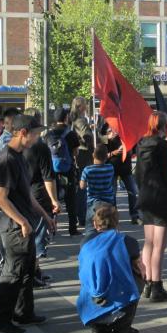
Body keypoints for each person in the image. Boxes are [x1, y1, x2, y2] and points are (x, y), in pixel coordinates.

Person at [0, 114, 56, 333]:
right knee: (13, 272)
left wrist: (45, 216)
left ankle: (23, 312)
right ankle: (1, 319)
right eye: (36, 134)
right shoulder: (6, 159)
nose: (38, 139)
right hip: (14, 226)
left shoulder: (19, 156)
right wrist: (22, 221)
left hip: (25, 222)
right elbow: (1, 198)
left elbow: (27, 194)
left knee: (28, 270)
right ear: (23, 133)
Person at [77, 204, 142, 333]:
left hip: (90, 302)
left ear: (95, 223)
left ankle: (99, 331)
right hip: (120, 299)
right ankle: (122, 329)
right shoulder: (128, 242)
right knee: (138, 277)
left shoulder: (85, 242)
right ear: (117, 223)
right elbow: (139, 266)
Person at [134, 111, 167, 302]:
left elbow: (137, 173)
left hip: (146, 196)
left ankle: (147, 284)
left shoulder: (141, 144)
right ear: (163, 126)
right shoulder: (161, 146)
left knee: (148, 242)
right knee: (159, 245)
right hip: (161, 197)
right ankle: (157, 286)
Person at [24, 114, 60, 264]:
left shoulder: (17, 147)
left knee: (28, 235)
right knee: (38, 235)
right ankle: (35, 271)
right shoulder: (40, 147)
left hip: (24, 195)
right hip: (39, 194)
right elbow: (48, 177)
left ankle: (32, 271)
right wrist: (54, 200)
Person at [47, 108, 81, 236]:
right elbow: (76, 152)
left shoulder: (48, 134)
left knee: (53, 198)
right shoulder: (70, 133)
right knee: (71, 199)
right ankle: (72, 228)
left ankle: (52, 227)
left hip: (52, 170)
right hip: (68, 169)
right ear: (66, 118)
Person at [105, 126, 141, 225]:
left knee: (133, 191)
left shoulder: (127, 135)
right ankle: (113, 217)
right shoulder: (107, 135)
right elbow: (102, 155)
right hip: (112, 168)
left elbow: (134, 151)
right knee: (112, 193)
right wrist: (114, 152)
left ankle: (134, 216)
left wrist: (130, 150)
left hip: (126, 169)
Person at [80, 144, 115, 236]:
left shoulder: (87, 170)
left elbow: (82, 186)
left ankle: (90, 245)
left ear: (93, 155)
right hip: (108, 202)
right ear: (106, 156)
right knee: (108, 227)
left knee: (90, 229)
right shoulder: (110, 168)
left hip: (93, 202)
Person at [70, 96, 94, 232]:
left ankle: (80, 215)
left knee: (80, 187)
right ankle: (82, 216)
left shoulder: (73, 119)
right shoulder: (80, 120)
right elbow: (87, 137)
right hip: (83, 155)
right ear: (80, 107)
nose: (87, 107)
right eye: (85, 105)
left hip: (78, 155)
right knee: (82, 187)